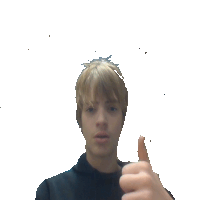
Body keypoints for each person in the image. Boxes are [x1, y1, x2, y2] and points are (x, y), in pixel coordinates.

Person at [35, 56, 175, 200]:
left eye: (112, 108)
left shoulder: (147, 190)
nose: (101, 120)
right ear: (79, 120)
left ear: (123, 120)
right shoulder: (51, 192)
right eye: (90, 109)